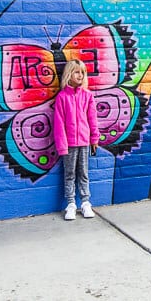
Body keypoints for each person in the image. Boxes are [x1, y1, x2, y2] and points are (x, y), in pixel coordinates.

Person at [53, 59, 100, 220]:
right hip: (69, 144)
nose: (80, 75)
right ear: (69, 74)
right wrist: (62, 146)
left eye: (83, 72)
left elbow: (92, 119)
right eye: (77, 72)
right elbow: (59, 124)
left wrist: (94, 138)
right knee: (70, 174)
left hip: (85, 142)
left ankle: (86, 203)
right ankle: (71, 204)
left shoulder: (87, 96)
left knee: (84, 173)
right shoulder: (62, 97)